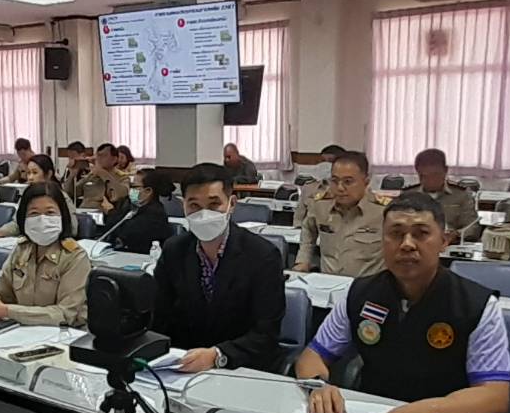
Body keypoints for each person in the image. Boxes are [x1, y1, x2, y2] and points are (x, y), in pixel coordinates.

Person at [296, 191, 510, 413]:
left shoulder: (477, 304)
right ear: (382, 240)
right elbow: (312, 356)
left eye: (421, 234)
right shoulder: (359, 293)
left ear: (444, 241)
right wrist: (317, 386)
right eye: (396, 234)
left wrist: (428, 409)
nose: (407, 244)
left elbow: (494, 395)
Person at [152, 163, 287, 372]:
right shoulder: (174, 250)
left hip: (242, 368)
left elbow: (266, 333)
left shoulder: (263, 255)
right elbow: (159, 316)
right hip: (183, 365)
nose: (203, 214)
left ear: (231, 204)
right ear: (183, 205)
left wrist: (217, 355)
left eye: (214, 204)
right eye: (194, 205)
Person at [0, 183, 91, 327]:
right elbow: (0, 292)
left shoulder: (75, 257)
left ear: (62, 216)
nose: (42, 220)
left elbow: (66, 314)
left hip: (64, 334)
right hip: (20, 330)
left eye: (50, 213)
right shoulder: (21, 249)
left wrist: (6, 311)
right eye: (34, 213)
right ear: (23, 218)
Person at [297, 151, 388, 277]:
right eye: (335, 181)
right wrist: (303, 261)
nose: (340, 188)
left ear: (366, 182)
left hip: (367, 284)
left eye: (348, 182)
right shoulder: (321, 205)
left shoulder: (383, 211)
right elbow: (308, 229)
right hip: (328, 283)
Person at [403, 148, 479, 241]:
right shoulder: (408, 196)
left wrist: (456, 235)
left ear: (446, 170)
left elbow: (472, 226)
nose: (431, 180)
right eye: (424, 176)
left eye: (435, 175)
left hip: (452, 244)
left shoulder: (461, 195)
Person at [101, 168, 177, 255]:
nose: (130, 190)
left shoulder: (155, 214)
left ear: (148, 191)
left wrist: (110, 212)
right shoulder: (132, 207)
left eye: (134, 187)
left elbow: (127, 232)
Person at [0, 154, 60, 239]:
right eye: (28, 173)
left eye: (35, 173)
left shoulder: (60, 196)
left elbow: (69, 227)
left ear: (48, 174)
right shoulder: (27, 194)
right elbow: (17, 223)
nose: (30, 178)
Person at [293, 144, 347, 227]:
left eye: (330, 161)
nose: (325, 165)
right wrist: (298, 227)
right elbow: (299, 214)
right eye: (323, 161)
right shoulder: (309, 187)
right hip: (311, 229)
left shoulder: (348, 189)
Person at [74, 142, 128, 212]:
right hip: (83, 212)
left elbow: (120, 195)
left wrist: (102, 173)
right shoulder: (92, 176)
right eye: (98, 156)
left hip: (105, 214)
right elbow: (71, 193)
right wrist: (73, 174)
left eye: (103, 156)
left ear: (114, 159)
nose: (99, 159)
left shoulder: (122, 177)